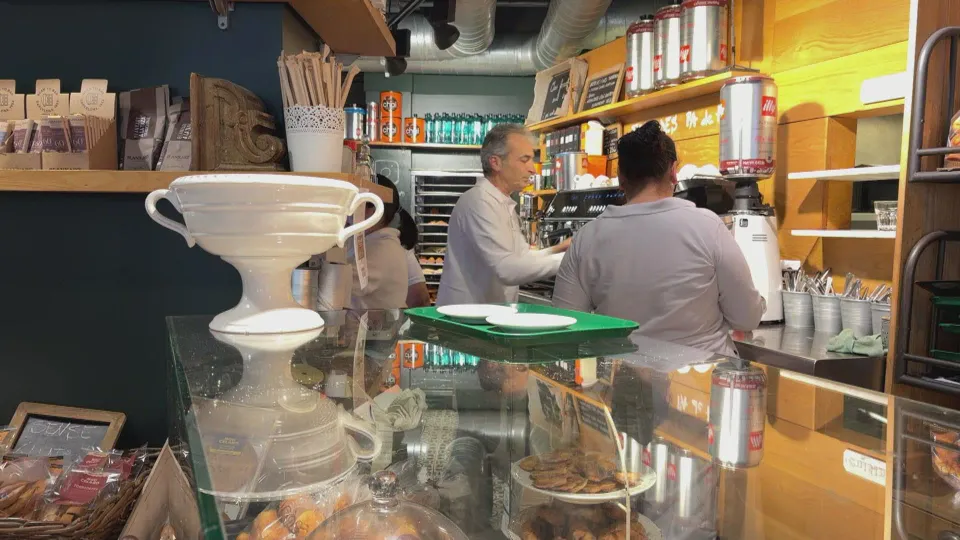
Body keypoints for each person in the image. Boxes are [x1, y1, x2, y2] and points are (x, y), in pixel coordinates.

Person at [552, 120, 764, 356]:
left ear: (621, 177)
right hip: (701, 380)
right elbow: (747, 317)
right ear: (673, 172)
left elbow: (565, 324)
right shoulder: (708, 227)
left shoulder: (587, 238)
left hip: (622, 380)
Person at [437, 124, 569, 306]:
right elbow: (507, 270)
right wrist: (573, 259)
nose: (533, 169)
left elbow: (521, 257)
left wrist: (559, 248)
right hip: (466, 321)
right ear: (496, 162)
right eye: (525, 159)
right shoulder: (479, 202)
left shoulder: (502, 203)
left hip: (484, 318)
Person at [349, 175, 419, 310]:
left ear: (373, 209)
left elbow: (341, 284)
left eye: (352, 205)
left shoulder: (382, 249)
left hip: (378, 330)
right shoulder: (375, 242)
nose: (347, 213)